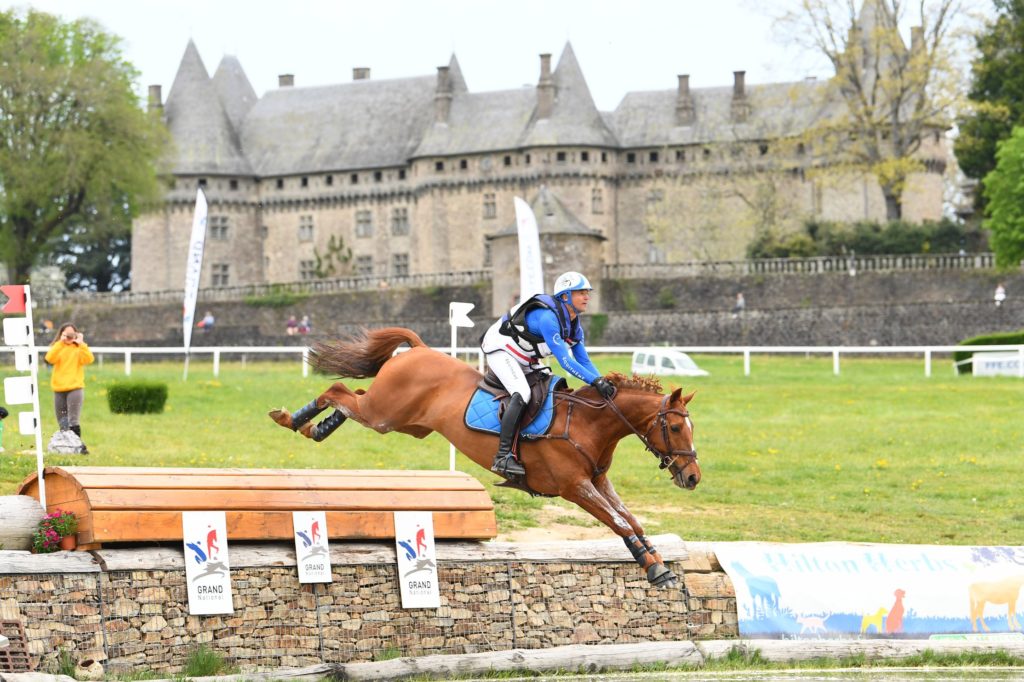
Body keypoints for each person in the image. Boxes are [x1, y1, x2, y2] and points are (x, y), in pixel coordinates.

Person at [480, 271, 613, 478]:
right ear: (565, 296)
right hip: (501, 349)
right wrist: (594, 381)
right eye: (581, 293)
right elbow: (566, 362)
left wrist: (602, 381)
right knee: (522, 393)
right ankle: (503, 456)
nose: (587, 297)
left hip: (525, 357)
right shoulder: (548, 318)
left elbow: (584, 361)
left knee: (550, 386)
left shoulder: (575, 326)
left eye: (588, 292)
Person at [44, 323, 95, 453]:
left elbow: (89, 359)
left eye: (72, 334)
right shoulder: (58, 347)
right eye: (67, 334)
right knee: (62, 421)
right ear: (61, 334)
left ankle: (78, 448)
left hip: (75, 388)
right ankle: (66, 448)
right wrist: (60, 342)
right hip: (59, 389)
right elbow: (49, 359)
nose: (69, 337)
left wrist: (81, 343)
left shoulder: (78, 348)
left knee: (73, 420)